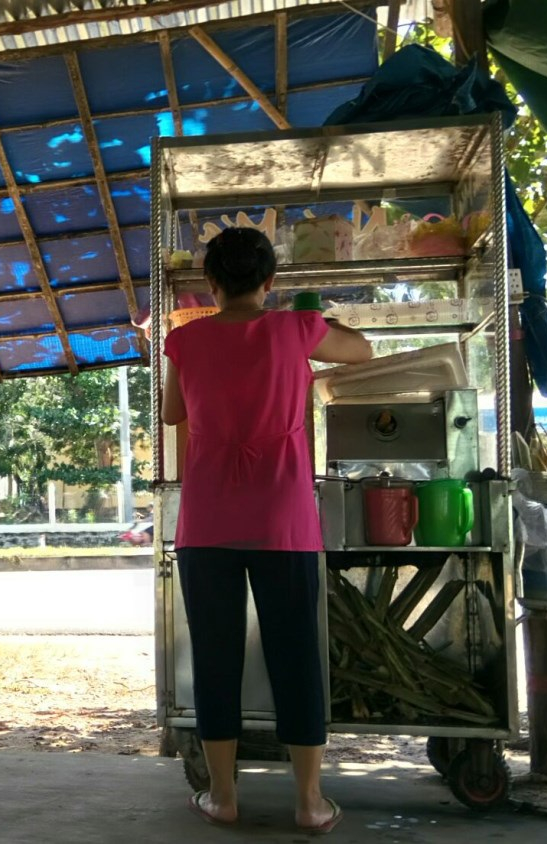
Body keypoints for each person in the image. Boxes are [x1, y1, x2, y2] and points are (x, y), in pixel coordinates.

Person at [160, 227, 372, 833]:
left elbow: (173, 412)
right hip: (283, 518)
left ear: (212, 283)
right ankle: (309, 802)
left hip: (208, 520)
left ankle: (223, 797)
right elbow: (361, 352)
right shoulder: (295, 329)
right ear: (269, 282)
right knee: (295, 654)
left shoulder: (186, 338)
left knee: (215, 657)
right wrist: (319, 322)